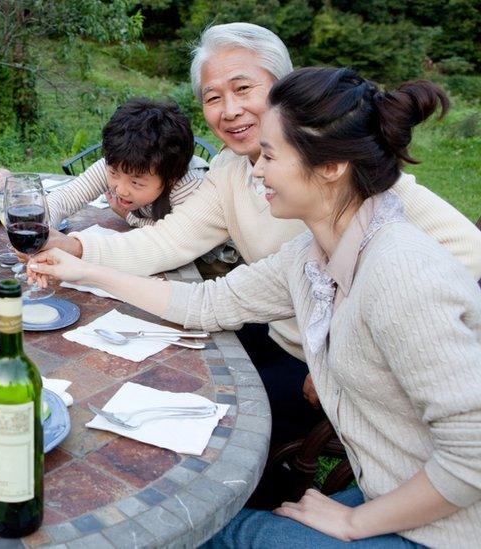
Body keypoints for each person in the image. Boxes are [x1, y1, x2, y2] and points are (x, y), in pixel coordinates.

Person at [29, 67, 481, 548]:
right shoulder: (312, 255)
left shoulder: (399, 269)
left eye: (270, 155)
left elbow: (472, 455)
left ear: (331, 166)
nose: (258, 171)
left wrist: (357, 522)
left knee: (196, 531)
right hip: (393, 492)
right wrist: (86, 271)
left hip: (444, 529)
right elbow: (207, 303)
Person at [46, 98, 207, 228]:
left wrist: (128, 216)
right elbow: (65, 198)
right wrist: (40, 227)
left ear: (171, 179)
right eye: (113, 173)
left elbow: (176, 238)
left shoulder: (188, 186)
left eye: (136, 183)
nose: (120, 190)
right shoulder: (122, 164)